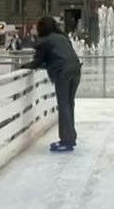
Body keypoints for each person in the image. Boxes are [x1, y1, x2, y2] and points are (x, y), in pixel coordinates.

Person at [22, 16, 82, 153]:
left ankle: (66, 141)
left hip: (63, 72)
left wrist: (23, 67)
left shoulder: (44, 41)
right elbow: (60, 54)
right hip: (76, 70)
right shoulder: (62, 37)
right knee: (69, 103)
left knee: (63, 105)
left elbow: (36, 62)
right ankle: (70, 137)